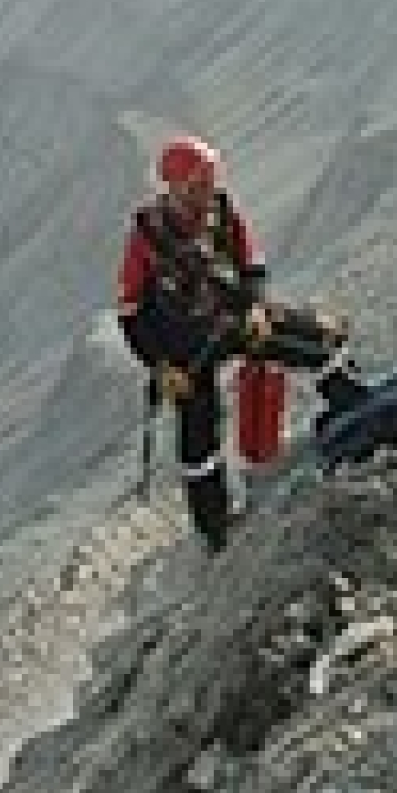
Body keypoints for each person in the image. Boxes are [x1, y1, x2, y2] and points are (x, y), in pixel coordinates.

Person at [116, 135, 273, 552]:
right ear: (174, 186)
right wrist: (162, 365)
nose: (207, 191)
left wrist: (255, 308)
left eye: (210, 180)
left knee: (304, 342)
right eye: (197, 183)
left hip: (228, 322)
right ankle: (214, 525)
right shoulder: (146, 236)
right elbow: (131, 313)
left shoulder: (223, 213)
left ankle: (344, 405)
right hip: (182, 351)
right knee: (198, 433)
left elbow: (251, 265)